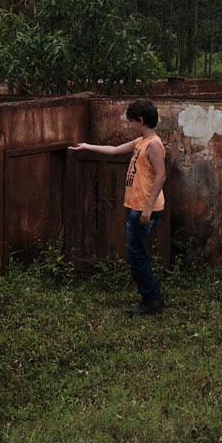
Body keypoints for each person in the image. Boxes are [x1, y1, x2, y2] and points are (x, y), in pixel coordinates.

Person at [71, 98, 167, 314]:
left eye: (131, 121)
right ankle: (151, 298)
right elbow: (114, 150)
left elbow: (161, 176)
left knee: (137, 254)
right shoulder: (140, 142)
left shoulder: (153, 145)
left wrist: (148, 207)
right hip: (138, 206)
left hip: (143, 208)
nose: (129, 125)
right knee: (136, 253)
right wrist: (86, 146)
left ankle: (152, 300)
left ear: (140, 120)